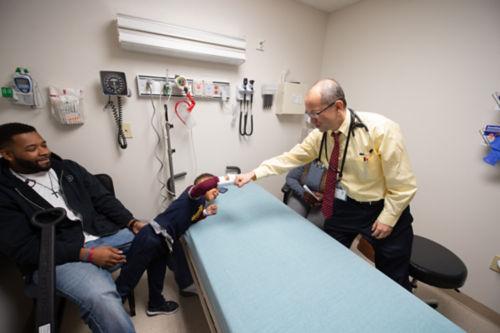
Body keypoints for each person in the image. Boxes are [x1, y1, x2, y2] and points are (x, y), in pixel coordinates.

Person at [236, 78, 417, 291]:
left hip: (382, 208)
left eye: (315, 113)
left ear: (338, 106)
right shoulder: (320, 136)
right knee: (327, 256)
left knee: (392, 276)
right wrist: (255, 173)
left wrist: (388, 218)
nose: (311, 120)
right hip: (346, 206)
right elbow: (290, 158)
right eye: (308, 114)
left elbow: (403, 185)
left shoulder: (381, 130)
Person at [0, 123, 181, 332]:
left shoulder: (66, 169)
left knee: (159, 234)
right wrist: (86, 254)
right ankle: (114, 296)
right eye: (32, 149)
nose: (44, 152)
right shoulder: (6, 193)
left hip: (100, 234)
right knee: (102, 299)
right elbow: (24, 249)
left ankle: (154, 301)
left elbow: (103, 199)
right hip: (57, 257)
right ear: (7, 154)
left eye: (44, 145)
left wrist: (132, 222)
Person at [115, 173, 223, 313]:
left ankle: (155, 304)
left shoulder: (200, 203)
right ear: (201, 186)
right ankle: (110, 311)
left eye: (218, 190)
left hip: (164, 244)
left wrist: (205, 213)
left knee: (157, 275)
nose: (216, 191)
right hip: (152, 236)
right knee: (130, 276)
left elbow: (191, 219)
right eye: (213, 187)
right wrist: (222, 180)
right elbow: (201, 188)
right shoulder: (192, 193)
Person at [284, 162, 326, 228]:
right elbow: (290, 178)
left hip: (323, 203)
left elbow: (342, 193)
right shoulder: (307, 156)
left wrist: (325, 197)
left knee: (312, 228)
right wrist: (302, 193)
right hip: (302, 195)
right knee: (291, 221)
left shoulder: (341, 164)